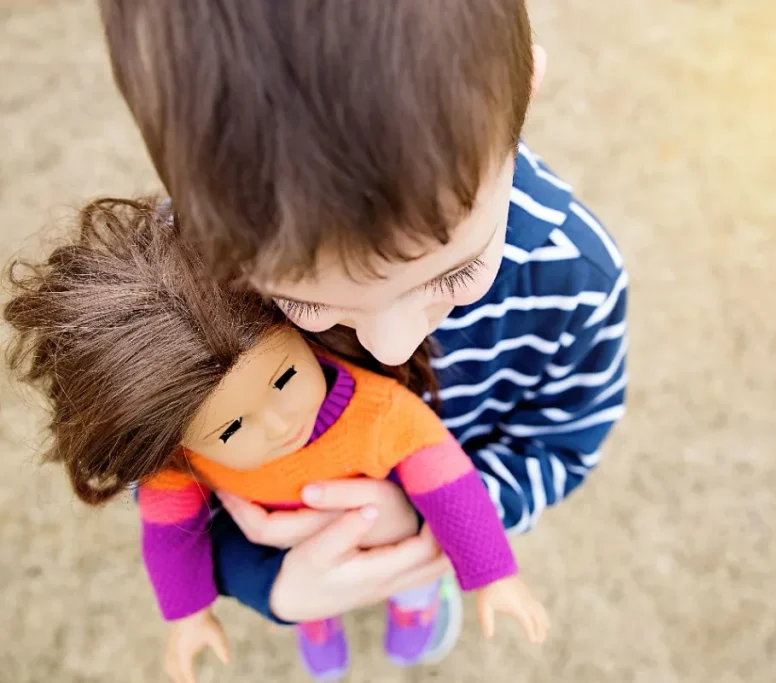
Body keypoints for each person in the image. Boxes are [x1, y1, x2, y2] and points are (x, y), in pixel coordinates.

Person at [97, 0, 628, 675]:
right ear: (192, 197)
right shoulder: (195, 281)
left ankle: (417, 595)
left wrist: (434, 522)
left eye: (458, 270)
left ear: (525, 94)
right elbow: (162, 458)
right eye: (303, 301)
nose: (391, 346)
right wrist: (271, 582)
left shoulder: (572, 276)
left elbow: (563, 438)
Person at [3, 198, 548, 683]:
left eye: (286, 376)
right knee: (313, 595)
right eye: (231, 429)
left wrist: (492, 573)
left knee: (412, 573)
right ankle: (317, 620)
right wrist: (189, 615)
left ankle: (416, 603)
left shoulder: (380, 411)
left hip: (391, 533)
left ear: (296, 327)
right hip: (292, 555)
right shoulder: (180, 462)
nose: (278, 423)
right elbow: (171, 537)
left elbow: (449, 483)